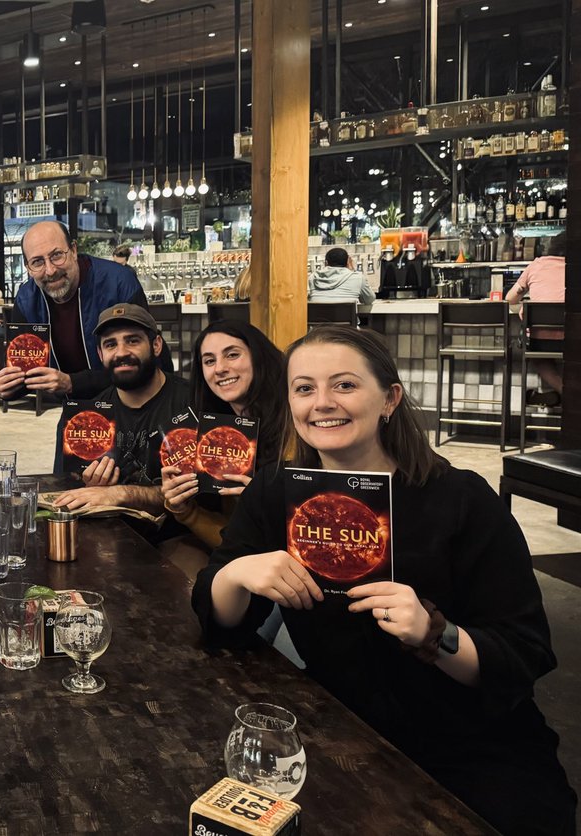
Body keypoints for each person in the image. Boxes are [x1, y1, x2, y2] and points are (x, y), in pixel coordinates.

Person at [191, 325, 576, 836]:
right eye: (304, 388)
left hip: (470, 747)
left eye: (345, 385)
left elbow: (524, 653)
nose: (322, 403)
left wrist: (434, 635)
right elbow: (217, 621)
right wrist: (237, 574)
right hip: (340, 731)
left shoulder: (462, 500)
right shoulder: (274, 494)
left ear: (390, 398)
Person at [0, 220, 165, 400]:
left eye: (57, 255)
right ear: (28, 268)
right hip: (75, 412)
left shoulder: (119, 283)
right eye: (37, 262)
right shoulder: (26, 300)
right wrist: (9, 386)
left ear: (74, 250)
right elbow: (26, 375)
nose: (50, 270)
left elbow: (144, 364)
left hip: (130, 404)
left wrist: (72, 383)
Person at [161, 320, 288, 557]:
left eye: (232, 355)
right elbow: (233, 543)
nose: (219, 368)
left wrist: (265, 503)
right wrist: (186, 511)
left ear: (258, 356)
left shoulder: (295, 425)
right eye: (209, 361)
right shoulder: (217, 437)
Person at [52, 304, 187, 514]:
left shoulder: (191, 403)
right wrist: (87, 485)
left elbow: (200, 496)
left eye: (133, 340)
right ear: (100, 353)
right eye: (110, 344)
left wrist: (120, 493)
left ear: (157, 345)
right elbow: (67, 492)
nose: (121, 353)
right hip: (110, 529)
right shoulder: (85, 419)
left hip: (175, 532)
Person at [507, 233, 566, 403]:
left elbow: (510, 299)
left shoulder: (536, 265)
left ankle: (564, 393)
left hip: (539, 342)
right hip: (572, 340)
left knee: (538, 358)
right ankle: (570, 396)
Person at [308, 247, 375, 305]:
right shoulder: (358, 277)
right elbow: (369, 300)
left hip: (317, 319)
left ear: (326, 262)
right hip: (347, 319)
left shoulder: (313, 277)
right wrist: (353, 270)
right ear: (347, 262)